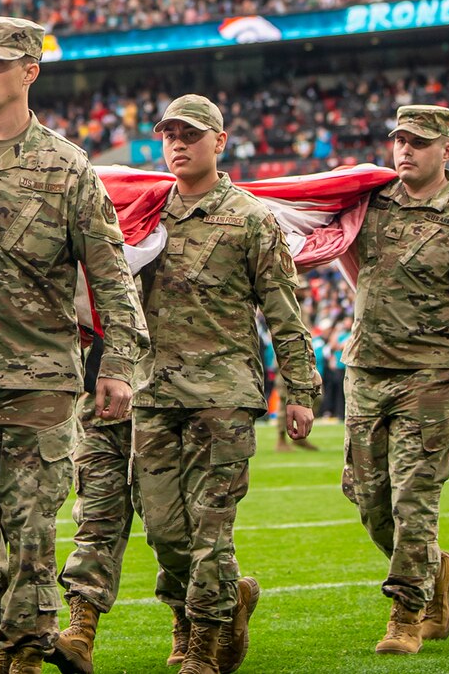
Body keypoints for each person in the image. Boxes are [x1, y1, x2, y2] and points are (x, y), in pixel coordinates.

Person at [0, 17, 145, 674]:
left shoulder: (66, 165)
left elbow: (111, 271)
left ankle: (21, 651)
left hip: (38, 378)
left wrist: (117, 363)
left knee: (30, 529)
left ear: (30, 71)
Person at [126, 95, 320, 674]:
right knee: (163, 528)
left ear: (221, 141)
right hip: (156, 392)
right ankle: (211, 605)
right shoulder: (146, 215)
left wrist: (302, 391)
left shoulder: (251, 219)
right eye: (169, 135)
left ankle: (205, 642)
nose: (178, 144)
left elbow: (284, 312)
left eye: (190, 134)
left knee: (211, 525)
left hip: (223, 393)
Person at [343, 105, 449, 655]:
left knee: (413, 498)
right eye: (399, 140)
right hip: (366, 370)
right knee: (368, 498)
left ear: (446, 150)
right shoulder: (370, 202)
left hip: (432, 375)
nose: (404, 151)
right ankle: (435, 570)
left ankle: (405, 613)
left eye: (418, 142)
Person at [53, 333, 133, 674]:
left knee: (171, 530)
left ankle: (198, 620)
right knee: (95, 520)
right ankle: (81, 634)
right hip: (98, 398)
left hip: (170, 399)